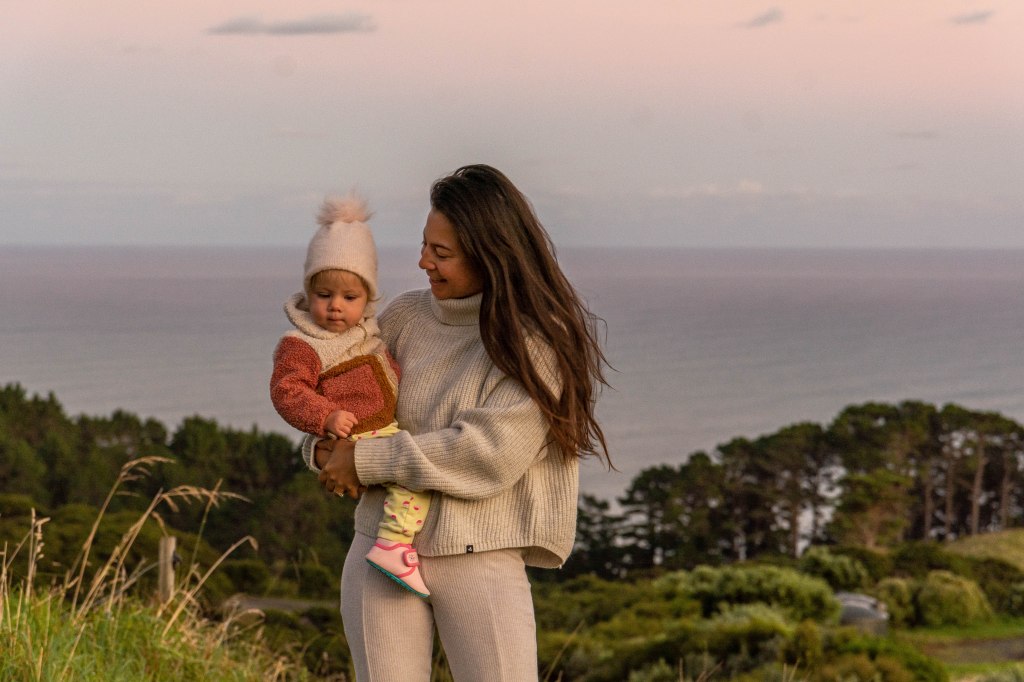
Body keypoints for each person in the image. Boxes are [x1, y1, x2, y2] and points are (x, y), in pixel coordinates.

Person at [304, 164, 611, 680]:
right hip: (379, 551)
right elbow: (338, 402)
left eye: (441, 253)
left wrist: (365, 459)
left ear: (490, 254)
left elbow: (486, 452)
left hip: (479, 556)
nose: (423, 261)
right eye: (424, 245)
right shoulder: (403, 318)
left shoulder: (535, 341)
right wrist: (321, 450)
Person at [270, 193, 432, 596]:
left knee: (410, 475)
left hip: (380, 429)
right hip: (359, 434)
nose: (335, 307)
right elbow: (287, 390)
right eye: (324, 295)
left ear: (369, 298)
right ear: (308, 292)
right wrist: (324, 417)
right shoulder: (303, 342)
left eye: (349, 297)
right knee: (414, 478)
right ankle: (394, 545)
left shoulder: (369, 332)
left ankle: (394, 544)